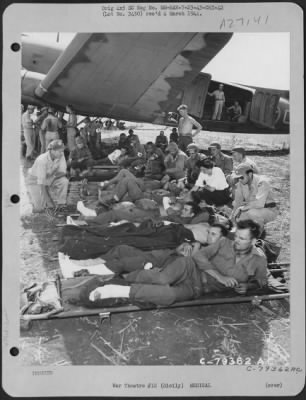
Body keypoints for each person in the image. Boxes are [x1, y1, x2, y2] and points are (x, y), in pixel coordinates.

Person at [192, 219, 268, 294]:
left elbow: (262, 282)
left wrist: (248, 286)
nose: (236, 240)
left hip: (200, 288)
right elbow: (198, 255)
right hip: (192, 274)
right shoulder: (223, 242)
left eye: (241, 238)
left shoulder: (258, 259)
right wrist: (220, 277)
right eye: (236, 236)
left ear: (253, 241)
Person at [231, 163, 279, 229]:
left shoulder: (262, 182)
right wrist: (232, 218)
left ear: (250, 174)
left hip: (268, 210)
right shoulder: (241, 183)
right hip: (251, 208)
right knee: (238, 218)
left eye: (241, 177)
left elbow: (259, 203)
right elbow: (237, 202)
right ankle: (248, 232)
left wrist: (242, 208)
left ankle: (258, 232)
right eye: (238, 177)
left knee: (251, 213)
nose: (239, 180)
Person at [26, 140, 68, 212]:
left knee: (64, 181)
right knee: (39, 209)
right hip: (35, 180)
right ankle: (36, 201)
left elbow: (63, 172)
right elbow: (41, 184)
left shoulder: (61, 155)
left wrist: (53, 177)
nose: (62, 153)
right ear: (53, 151)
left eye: (62, 150)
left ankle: (61, 204)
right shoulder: (41, 160)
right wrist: (48, 201)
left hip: (50, 176)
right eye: (60, 151)